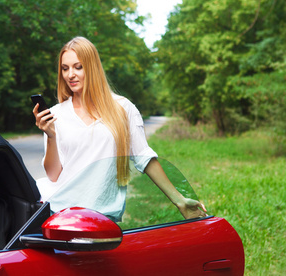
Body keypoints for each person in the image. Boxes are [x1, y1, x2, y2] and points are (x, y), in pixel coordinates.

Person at [33, 36, 206, 221]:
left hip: (102, 216)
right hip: (61, 213)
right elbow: (53, 175)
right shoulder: (56, 114)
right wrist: (50, 136)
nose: (70, 75)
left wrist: (179, 200)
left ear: (92, 67)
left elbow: (144, 156)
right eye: (65, 68)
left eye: (78, 67)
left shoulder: (123, 108)